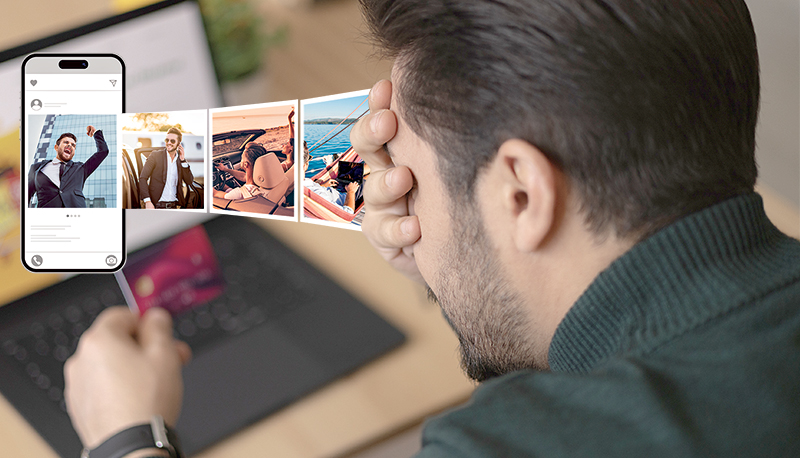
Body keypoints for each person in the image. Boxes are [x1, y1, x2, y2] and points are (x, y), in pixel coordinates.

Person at [64, 1, 800, 457]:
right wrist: (459, 265)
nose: (400, 209)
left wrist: (127, 436)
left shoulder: (509, 445)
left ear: (520, 193)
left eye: (414, 172)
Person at [28, 125, 108, 208]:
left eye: (73, 145)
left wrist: (95, 133)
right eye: (66, 142)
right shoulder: (36, 168)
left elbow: (103, 151)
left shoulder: (81, 169)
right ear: (56, 147)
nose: (70, 145)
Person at [139, 127, 193, 209]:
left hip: (174, 206)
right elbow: (143, 178)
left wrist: (183, 160)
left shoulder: (180, 161)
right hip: (156, 206)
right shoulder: (155, 156)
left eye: (172, 141)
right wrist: (147, 201)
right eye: (167, 140)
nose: (169, 143)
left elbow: (189, 181)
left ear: (179, 143)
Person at [302, 142, 360, 214]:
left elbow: (316, 190)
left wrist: (323, 186)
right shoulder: (311, 194)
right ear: (305, 165)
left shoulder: (303, 184)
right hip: (349, 197)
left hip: (336, 190)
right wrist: (351, 191)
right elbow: (348, 212)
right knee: (367, 175)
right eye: (309, 159)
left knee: (348, 169)